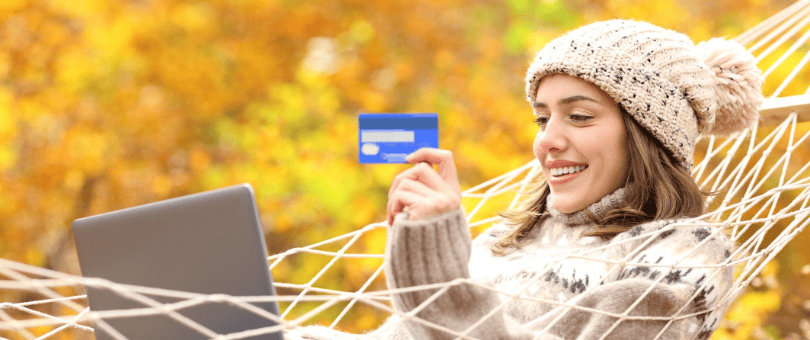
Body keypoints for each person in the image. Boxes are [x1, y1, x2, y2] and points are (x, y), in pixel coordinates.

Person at [286, 19, 764, 340]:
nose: (546, 142)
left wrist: (440, 276)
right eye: (541, 119)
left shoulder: (685, 252)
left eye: (578, 116)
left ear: (647, 136)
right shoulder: (504, 239)